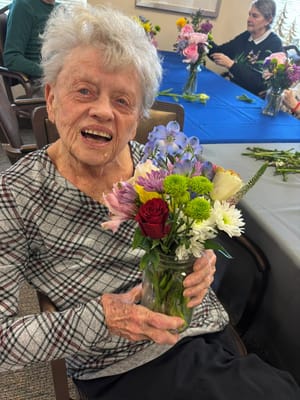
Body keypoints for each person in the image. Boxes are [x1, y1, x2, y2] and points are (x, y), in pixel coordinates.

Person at [0, 4, 300, 400]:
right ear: (52, 100)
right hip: (123, 363)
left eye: (123, 101)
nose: (103, 111)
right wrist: (102, 318)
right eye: (85, 91)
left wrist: (201, 265)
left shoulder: (157, 166)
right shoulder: (16, 195)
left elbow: (186, 242)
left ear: (139, 115)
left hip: (201, 329)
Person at [209, 0, 282, 96]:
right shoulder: (246, 36)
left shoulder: (274, 44)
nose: (249, 19)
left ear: (268, 20)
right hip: (232, 89)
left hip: (250, 97)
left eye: (255, 16)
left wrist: (232, 65)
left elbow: (260, 83)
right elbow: (220, 52)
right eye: (249, 14)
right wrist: (203, 41)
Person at [3, 0, 56, 97]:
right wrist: (49, 71)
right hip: (43, 82)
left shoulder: (61, 10)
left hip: (63, 76)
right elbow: (12, 58)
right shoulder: (23, 6)